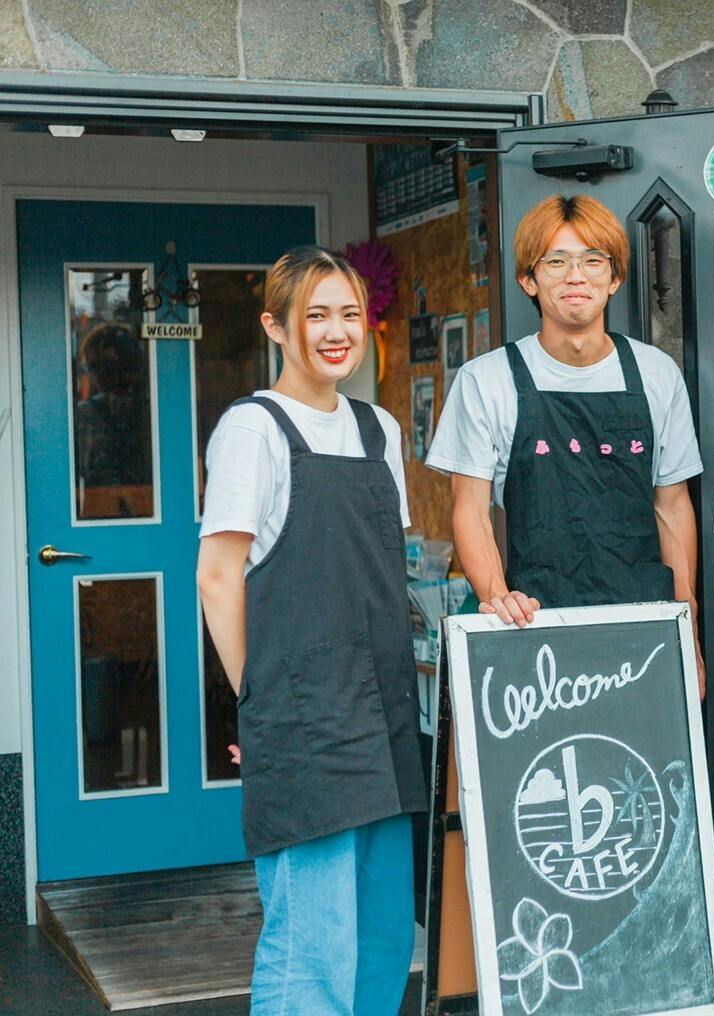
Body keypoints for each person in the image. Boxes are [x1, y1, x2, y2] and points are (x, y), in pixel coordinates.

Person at [196, 246, 424, 1015]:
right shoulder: (252, 429)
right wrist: (258, 702)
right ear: (275, 327)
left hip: (383, 716)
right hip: (305, 722)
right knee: (311, 947)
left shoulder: (378, 429)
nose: (336, 332)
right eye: (316, 315)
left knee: (384, 933)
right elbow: (217, 576)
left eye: (349, 315)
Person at [427, 194, 703, 684]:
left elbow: (673, 508)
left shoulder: (657, 373)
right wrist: (498, 597)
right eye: (556, 261)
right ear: (528, 279)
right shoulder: (486, 380)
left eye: (593, 260)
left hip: (645, 629)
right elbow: (470, 510)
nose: (576, 276)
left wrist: (688, 629)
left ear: (614, 278)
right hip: (535, 628)